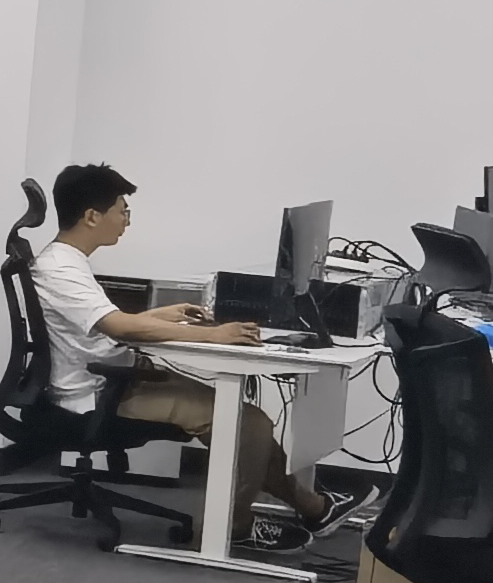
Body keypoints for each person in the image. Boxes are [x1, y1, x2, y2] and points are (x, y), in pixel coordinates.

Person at [32, 162, 326, 537]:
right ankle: (234, 529)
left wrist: (160, 316)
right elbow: (117, 326)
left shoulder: (68, 261)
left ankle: (313, 507)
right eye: (123, 211)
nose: (127, 220)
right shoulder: (60, 268)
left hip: (118, 376)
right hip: (100, 392)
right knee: (248, 423)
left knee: (246, 421)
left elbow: (102, 322)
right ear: (92, 216)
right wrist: (214, 336)